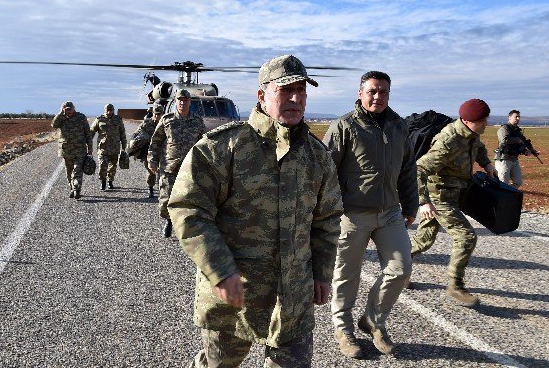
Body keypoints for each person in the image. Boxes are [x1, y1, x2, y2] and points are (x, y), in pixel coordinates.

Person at [168, 54, 344, 368]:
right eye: (285, 90)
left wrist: (322, 272)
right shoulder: (222, 148)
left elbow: (327, 219)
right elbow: (189, 209)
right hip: (235, 297)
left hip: (293, 297)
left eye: (302, 90)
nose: (295, 98)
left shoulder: (317, 156)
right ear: (262, 96)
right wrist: (220, 271)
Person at [323, 71, 418, 358]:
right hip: (351, 215)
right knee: (346, 275)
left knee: (401, 270)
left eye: (384, 92)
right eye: (373, 91)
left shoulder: (398, 126)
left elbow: (407, 169)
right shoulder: (344, 126)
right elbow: (326, 173)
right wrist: (327, 212)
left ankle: (373, 321)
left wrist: (410, 206)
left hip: (389, 213)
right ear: (361, 92)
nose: (378, 97)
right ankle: (344, 330)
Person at [410, 99, 497, 307]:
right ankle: (455, 285)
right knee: (466, 236)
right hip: (439, 196)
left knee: (424, 239)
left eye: (486, 119)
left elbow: (479, 147)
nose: (485, 123)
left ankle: (397, 267)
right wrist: (423, 203)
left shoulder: (472, 134)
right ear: (467, 120)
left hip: (454, 193)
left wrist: (487, 164)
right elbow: (419, 169)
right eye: (481, 120)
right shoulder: (448, 141)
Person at [148, 89, 205, 237]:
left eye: (185, 100)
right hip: (169, 166)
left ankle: (185, 225)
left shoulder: (197, 121)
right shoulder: (167, 120)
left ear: (189, 102)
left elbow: (203, 144)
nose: (182, 102)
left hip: (189, 167)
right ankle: (168, 220)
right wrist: (152, 160)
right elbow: (156, 141)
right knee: (166, 199)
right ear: (175, 101)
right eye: (179, 99)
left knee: (189, 198)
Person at [51, 101, 93, 199]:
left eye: (70, 109)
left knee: (77, 170)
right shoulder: (61, 118)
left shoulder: (81, 117)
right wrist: (61, 113)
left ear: (74, 108)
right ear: (63, 109)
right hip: (66, 150)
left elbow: (88, 133)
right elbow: (53, 125)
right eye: (66, 109)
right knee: (69, 172)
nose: (68, 111)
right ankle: (72, 188)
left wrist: (90, 147)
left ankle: (77, 189)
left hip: (80, 149)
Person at [494, 110, 539, 188]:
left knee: (518, 182)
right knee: (502, 182)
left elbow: (524, 142)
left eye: (519, 117)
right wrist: (518, 139)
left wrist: (530, 150)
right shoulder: (504, 128)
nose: (518, 118)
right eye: (516, 117)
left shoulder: (517, 130)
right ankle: (499, 197)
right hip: (504, 159)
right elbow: (504, 140)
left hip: (514, 159)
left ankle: (508, 195)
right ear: (510, 117)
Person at [128, 103, 164, 198]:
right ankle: (150, 188)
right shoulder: (146, 123)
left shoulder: (165, 123)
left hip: (161, 151)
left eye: (159, 114)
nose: (156, 116)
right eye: (155, 113)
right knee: (151, 171)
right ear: (152, 113)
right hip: (148, 152)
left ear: (162, 114)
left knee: (162, 171)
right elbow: (136, 134)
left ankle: (162, 190)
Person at [90, 103, 127, 191]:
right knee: (102, 165)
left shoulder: (118, 120)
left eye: (110, 110)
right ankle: (103, 182)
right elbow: (92, 131)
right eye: (107, 110)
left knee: (113, 166)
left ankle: (110, 181)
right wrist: (88, 142)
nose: (108, 112)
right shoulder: (99, 119)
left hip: (115, 147)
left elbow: (122, 133)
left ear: (113, 110)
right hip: (103, 147)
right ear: (104, 110)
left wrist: (124, 145)